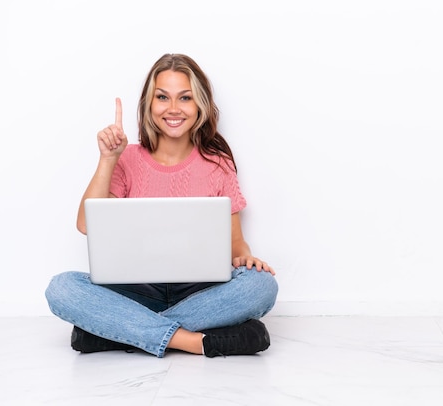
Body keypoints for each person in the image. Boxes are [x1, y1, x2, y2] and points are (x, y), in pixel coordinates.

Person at [45, 53, 279, 358]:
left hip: (200, 291)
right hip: (138, 291)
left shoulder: (218, 164)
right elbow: (86, 225)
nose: (173, 108)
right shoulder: (126, 158)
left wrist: (247, 259)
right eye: (162, 97)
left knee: (262, 286)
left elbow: (236, 245)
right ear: (148, 104)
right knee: (61, 288)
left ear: (200, 105)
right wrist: (107, 159)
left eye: (185, 97)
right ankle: (191, 340)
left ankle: (118, 334)